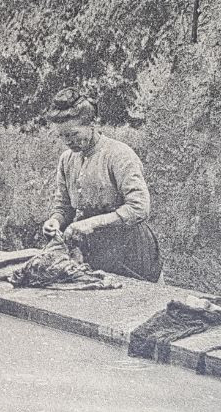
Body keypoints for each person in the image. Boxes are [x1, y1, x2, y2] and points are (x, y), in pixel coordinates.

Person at [40, 89, 161, 283]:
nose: (68, 142)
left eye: (73, 134)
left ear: (93, 124)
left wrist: (91, 223)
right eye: (63, 136)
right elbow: (64, 205)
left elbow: (139, 208)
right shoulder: (67, 160)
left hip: (129, 249)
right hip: (91, 249)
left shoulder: (119, 155)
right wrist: (55, 221)